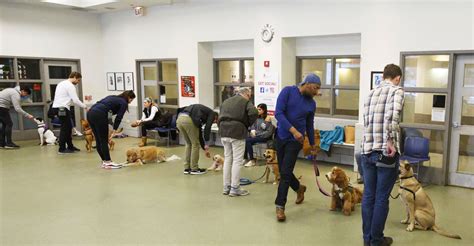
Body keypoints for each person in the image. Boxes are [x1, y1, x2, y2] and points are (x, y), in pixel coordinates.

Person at [361, 64, 405, 246]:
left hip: (367, 151)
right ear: (397, 78)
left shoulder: (370, 93)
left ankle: (367, 239)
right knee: (381, 198)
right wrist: (389, 141)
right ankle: (377, 241)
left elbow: (366, 120)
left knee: (368, 196)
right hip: (385, 152)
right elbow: (393, 117)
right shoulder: (397, 91)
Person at [274, 73, 320, 222]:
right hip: (281, 137)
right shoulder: (287, 92)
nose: (316, 92)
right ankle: (299, 188)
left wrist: (312, 144)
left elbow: (309, 125)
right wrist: (293, 131)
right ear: (306, 84)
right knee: (283, 170)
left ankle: (280, 206)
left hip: (296, 142)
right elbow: (278, 113)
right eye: (315, 88)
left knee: (285, 173)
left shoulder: (311, 104)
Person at [218, 87, 258, 196]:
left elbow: (219, 115)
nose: (249, 98)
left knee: (227, 159)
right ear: (246, 94)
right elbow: (254, 112)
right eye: (249, 96)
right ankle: (235, 188)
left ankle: (226, 187)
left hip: (223, 130)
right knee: (237, 160)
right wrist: (247, 124)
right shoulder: (245, 101)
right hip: (237, 131)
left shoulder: (226, 101)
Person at [87, 90, 136, 169]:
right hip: (99, 114)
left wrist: (112, 126)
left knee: (98, 140)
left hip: (90, 113)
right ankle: (108, 162)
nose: (130, 102)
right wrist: (115, 129)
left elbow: (108, 113)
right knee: (104, 140)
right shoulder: (123, 102)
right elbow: (119, 117)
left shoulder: (112, 97)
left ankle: (104, 161)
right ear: (128, 97)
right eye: (131, 99)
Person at [52, 72, 87, 154]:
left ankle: (70, 147)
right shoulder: (70, 86)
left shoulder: (61, 83)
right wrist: (85, 106)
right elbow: (75, 100)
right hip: (62, 109)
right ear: (74, 77)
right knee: (65, 129)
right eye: (78, 80)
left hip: (58, 108)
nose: (78, 82)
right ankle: (62, 149)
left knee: (68, 128)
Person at [176, 104, 217, 175]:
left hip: (179, 119)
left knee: (189, 144)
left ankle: (187, 168)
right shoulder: (212, 113)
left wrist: (204, 147)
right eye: (215, 120)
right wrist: (207, 143)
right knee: (195, 144)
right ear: (215, 117)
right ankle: (194, 169)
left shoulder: (200, 115)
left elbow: (199, 133)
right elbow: (207, 128)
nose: (214, 122)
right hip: (188, 120)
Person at [243, 103, 274, 167]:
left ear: (264, 110)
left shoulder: (268, 119)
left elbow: (269, 132)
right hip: (257, 136)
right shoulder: (256, 118)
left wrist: (257, 134)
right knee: (246, 140)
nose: (258, 111)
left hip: (265, 137)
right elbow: (252, 126)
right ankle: (245, 158)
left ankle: (252, 161)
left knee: (248, 141)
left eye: (259, 109)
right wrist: (252, 131)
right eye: (257, 109)